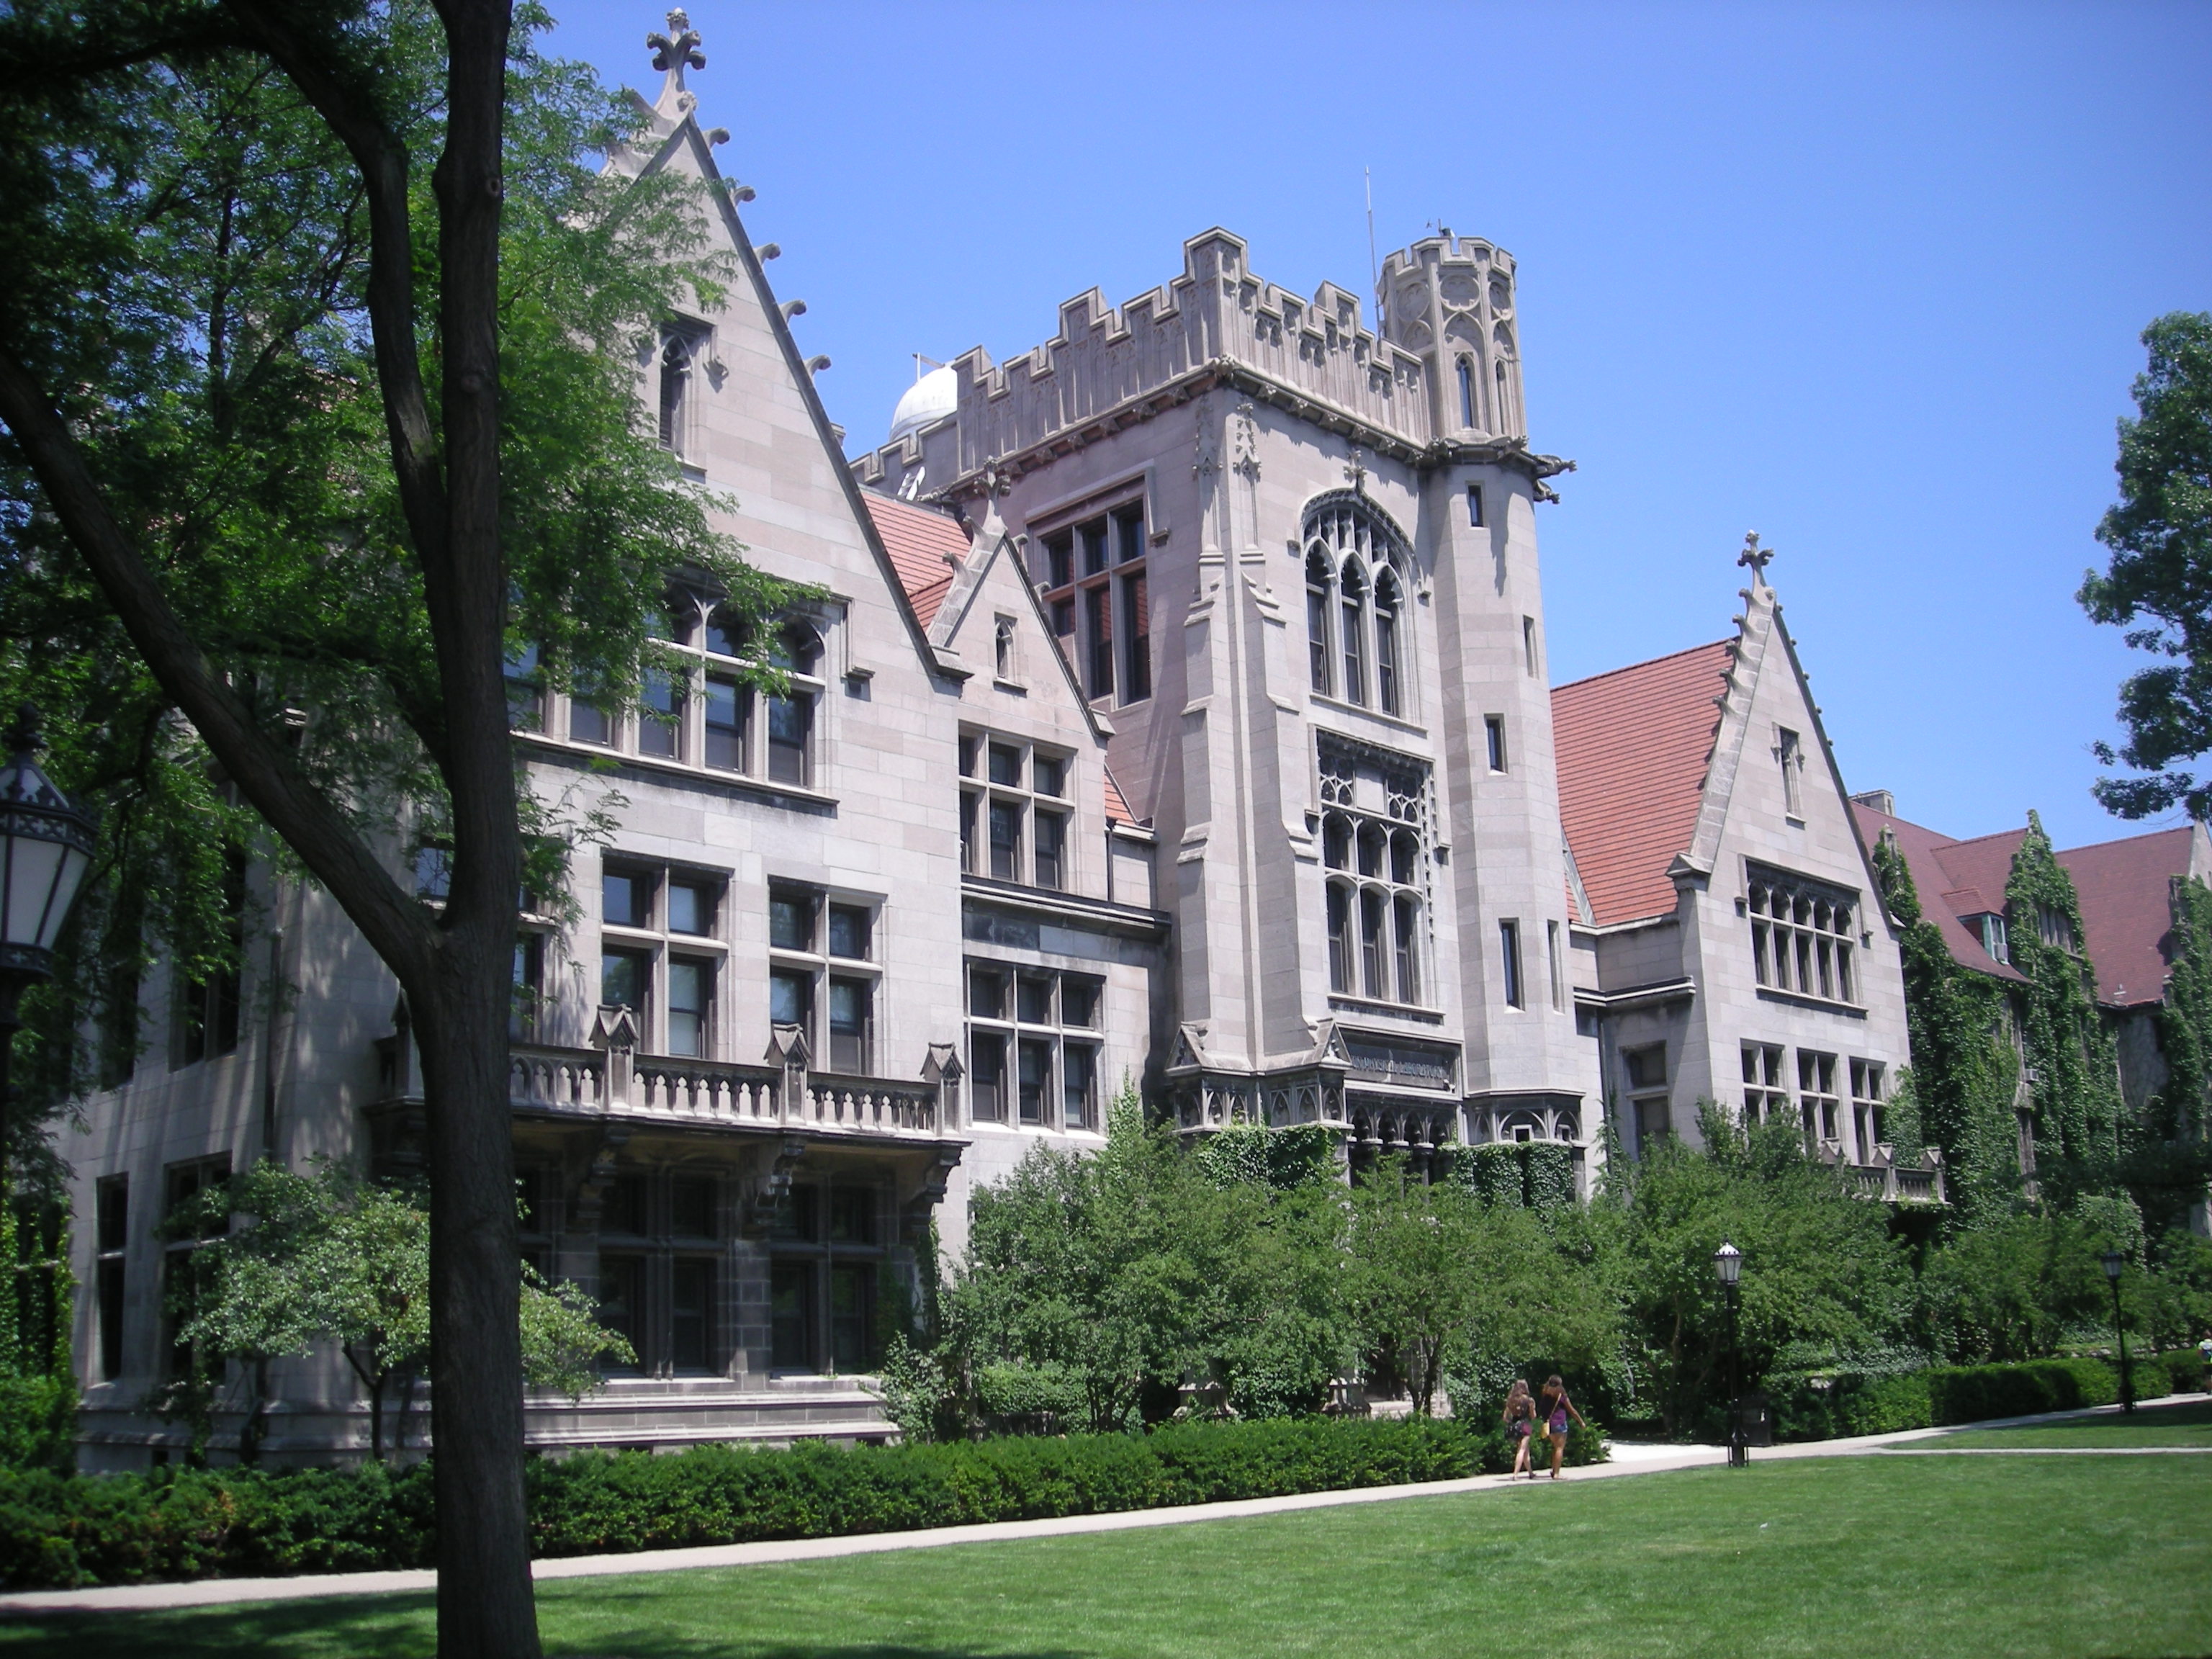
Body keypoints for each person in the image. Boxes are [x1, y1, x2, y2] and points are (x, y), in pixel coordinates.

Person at [1537, 1374, 1588, 1480]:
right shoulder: (1561, 1396)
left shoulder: (1545, 1393)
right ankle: (1556, 1474)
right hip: (1560, 1423)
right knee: (1559, 1448)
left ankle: (1554, 1470)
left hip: (1549, 1425)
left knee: (1555, 1448)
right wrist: (1581, 1422)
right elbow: (1572, 1411)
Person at [1501, 1379, 1537, 1478]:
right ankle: (1515, 1474)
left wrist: (1512, 1423)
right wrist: (1533, 1408)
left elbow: (1505, 1417)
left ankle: (1530, 1472)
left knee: (1525, 1450)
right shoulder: (1529, 1400)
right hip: (1525, 1425)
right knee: (1522, 1450)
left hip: (1515, 1425)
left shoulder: (1511, 1400)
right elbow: (1533, 1416)